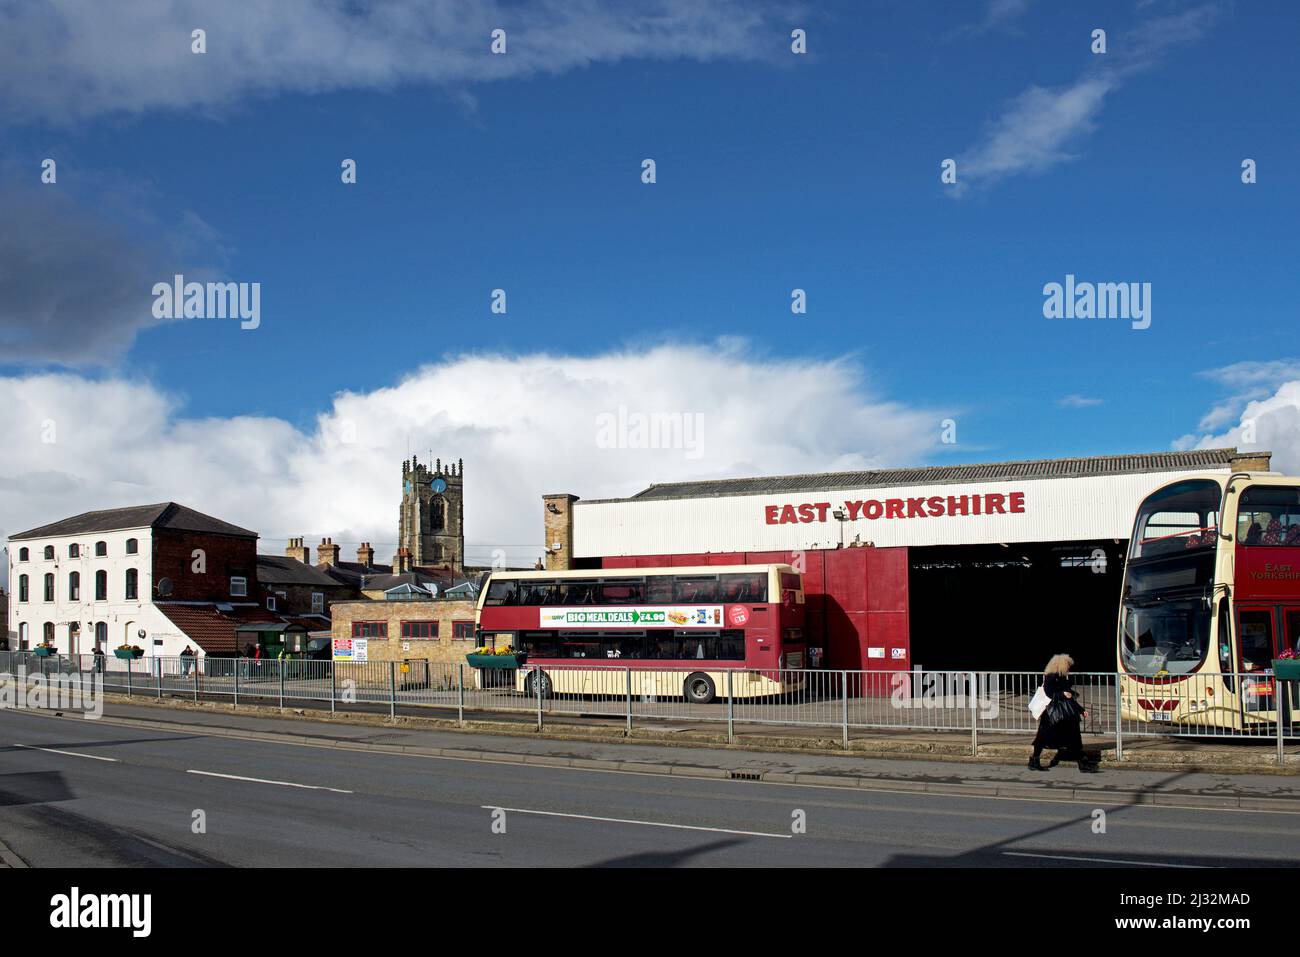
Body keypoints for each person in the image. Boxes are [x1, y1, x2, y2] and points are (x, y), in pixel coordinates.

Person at [1029, 654, 1098, 773]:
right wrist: (1062, 694)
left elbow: (1069, 697)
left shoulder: (1060, 678)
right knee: (1046, 737)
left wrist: (1081, 710)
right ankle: (1035, 760)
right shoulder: (1051, 677)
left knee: (1071, 737)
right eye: (1067, 666)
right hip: (1055, 715)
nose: (1069, 669)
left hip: (1062, 714)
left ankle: (1082, 762)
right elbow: (1049, 692)